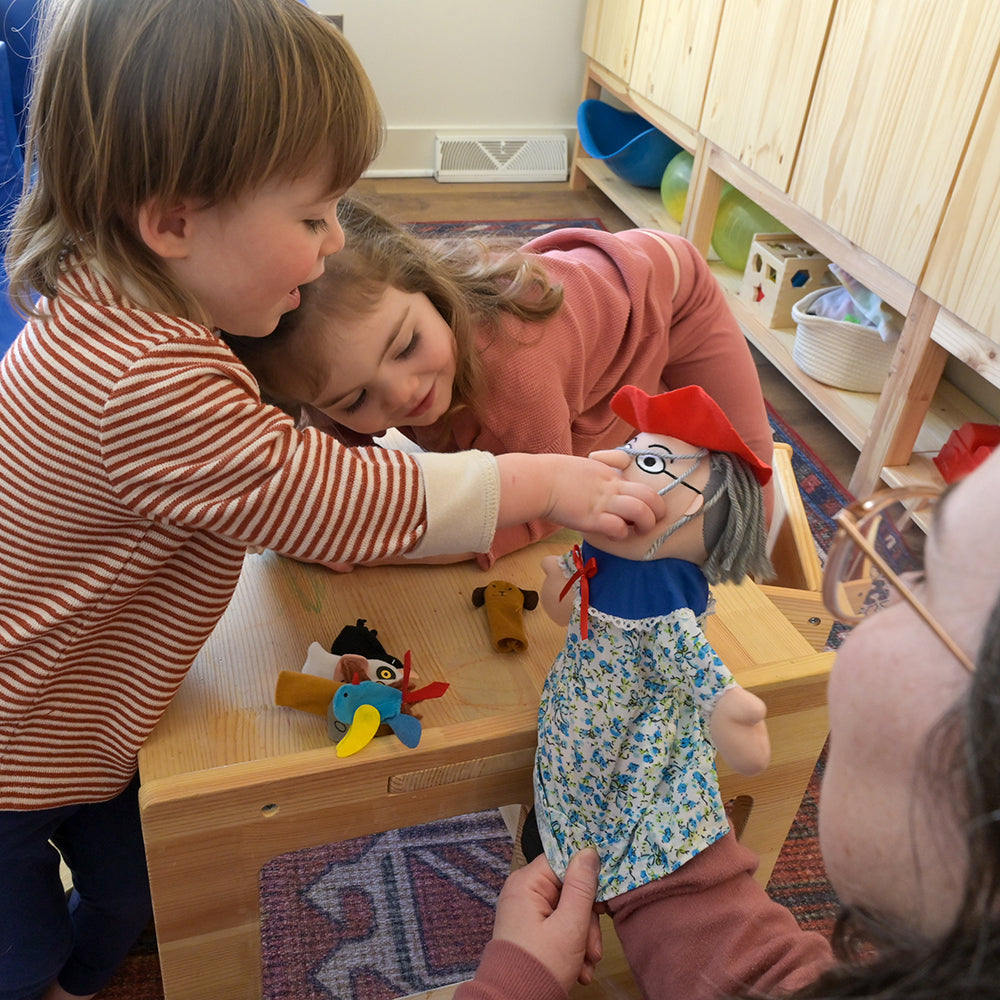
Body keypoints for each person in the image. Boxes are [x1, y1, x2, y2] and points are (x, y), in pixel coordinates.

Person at [0, 4, 664, 1000]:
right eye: (311, 217)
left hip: (90, 720)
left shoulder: (128, 302)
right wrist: (546, 481)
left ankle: (89, 971)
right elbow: (332, 498)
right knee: (22, 952)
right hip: (19, 745)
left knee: (136, 886)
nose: (330, 244)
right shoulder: (140, 376)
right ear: (175, 220)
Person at [455, 445, 1000, 1000]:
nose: (860, 632)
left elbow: (688, 654)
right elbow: (765, 981)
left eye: (929, 586)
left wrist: (511, 988)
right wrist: (668, 875)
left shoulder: (667, 599)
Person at [224, 196, 775, 567]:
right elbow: (327, 474)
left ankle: (769, 597)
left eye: (407, 346)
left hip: (673, 296)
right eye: (356, 399)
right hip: (577, 312)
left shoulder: (515, 369)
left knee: (745, 474)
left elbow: (541, 507)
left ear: (429, 291)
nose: (401, 393)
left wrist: (386, 548)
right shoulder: (348, 364)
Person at [531, 385, 774, 903]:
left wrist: (728, 706)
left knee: (623, 807)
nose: (613, 464)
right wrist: (561, 579)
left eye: (651, 460)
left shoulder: (660, 592)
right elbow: (566, 604)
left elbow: (689, 655)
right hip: (574, 699)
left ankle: (607, 882)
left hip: (631, 726)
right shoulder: (599, 554)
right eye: (635, 448)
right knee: (562, 779)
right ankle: (563, 854)